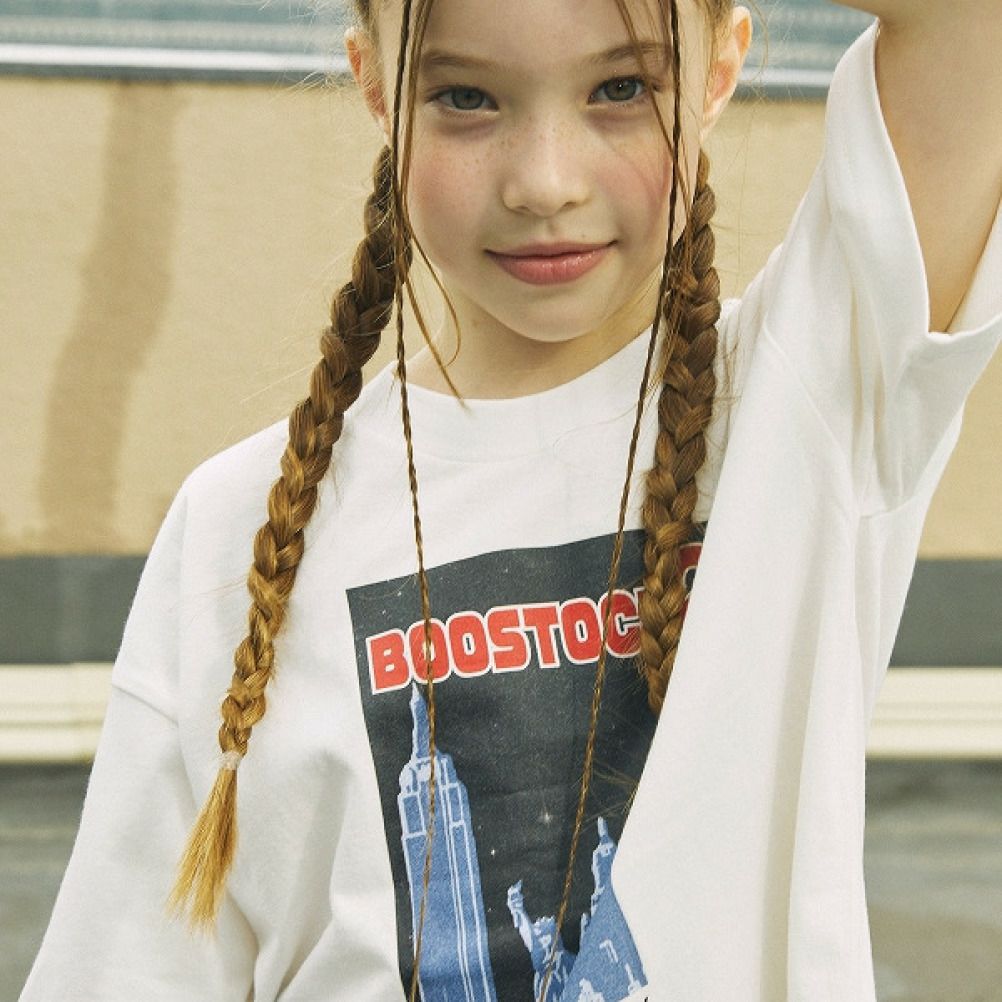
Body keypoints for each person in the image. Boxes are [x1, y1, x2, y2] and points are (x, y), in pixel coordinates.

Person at [20, 0, 1002, 1000]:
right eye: (466, 98)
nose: (545, 183)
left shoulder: (814, 395)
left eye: (621, 87)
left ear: (718, 70)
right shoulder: (235, 527)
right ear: (377, 90)